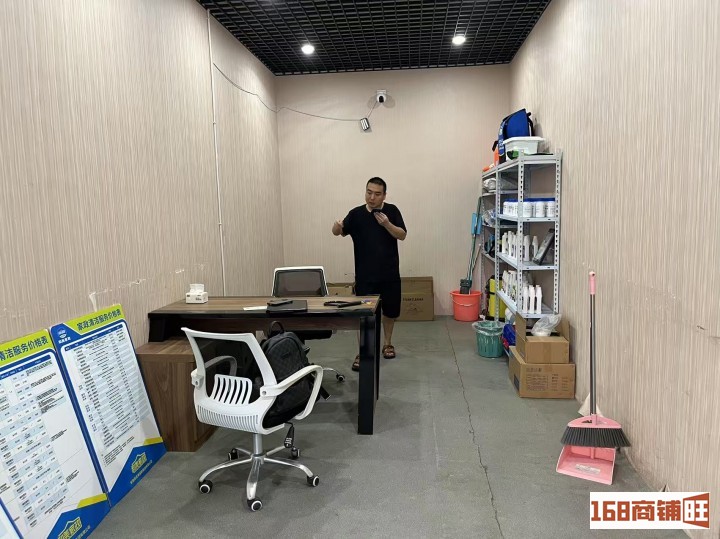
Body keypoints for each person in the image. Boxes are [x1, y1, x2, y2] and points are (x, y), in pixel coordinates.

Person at [332, 177, 407, 371]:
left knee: (390, 311)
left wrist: (387, 224)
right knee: (363, 314)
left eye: (377, 194)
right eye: (369, 192)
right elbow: (337, 232)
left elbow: (402, 235)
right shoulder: (356, 214)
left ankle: (387, 344)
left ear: (384, 195)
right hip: (365, 276)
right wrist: (337, 226)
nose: (372, 197)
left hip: (389, 273)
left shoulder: (392, 211)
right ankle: (362, 351)